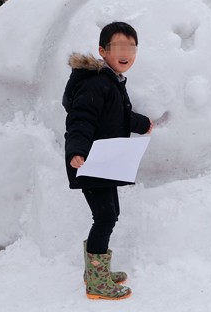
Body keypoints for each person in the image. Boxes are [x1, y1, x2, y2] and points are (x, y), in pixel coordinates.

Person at [62, 21, 152, 301]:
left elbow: (117, 115)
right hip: (91, 162)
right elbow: (81, 120)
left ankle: (96, 271)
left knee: (109, 214)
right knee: (105, 217)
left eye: (131, 47)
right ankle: (97, 282)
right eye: (119, 47)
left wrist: (141, 123)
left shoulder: (112, 81)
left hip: (105, 162)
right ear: (103, 50)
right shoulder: (96, 83)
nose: (126, 53)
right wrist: (76, 151)